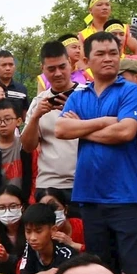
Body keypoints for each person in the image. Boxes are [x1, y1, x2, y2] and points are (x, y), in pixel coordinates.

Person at [54, 31, 137, 274]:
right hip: (89, 193)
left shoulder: (131, 90)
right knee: (103, 269)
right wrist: (104, 122)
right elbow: (61, 130)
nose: (108, 58)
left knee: (136, 265)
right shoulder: (79, 94)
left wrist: (82, 128)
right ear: (86, 60)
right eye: (100, 53)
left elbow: (125, 131)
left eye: (113, 53)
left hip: (126, 193)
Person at [21, 41, 80, 198]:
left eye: (62, 67)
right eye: (51, 69)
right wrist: (35, 117)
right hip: (49, 184)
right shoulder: (38, 102)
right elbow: (27, 146)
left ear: (70, 63)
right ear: (43, 69)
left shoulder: (88, 94)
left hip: (85, 181)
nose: (58, 73)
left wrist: (77, 113)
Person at [11, 203, 74, 274]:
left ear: (53, 230)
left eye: (38, 231)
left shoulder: (66, 254)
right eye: (28, 231)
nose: (32, 238)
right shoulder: (31, 247)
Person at [0, 98, 32, 207]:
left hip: (24, 203)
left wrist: (31, 202)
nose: (3, 124)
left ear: (18, 121)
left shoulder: (25, 146)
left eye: (7, 119)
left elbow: (34, 175)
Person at [0, 185, 27, 274]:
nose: (7, 211)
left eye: (13, 206)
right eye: (2, 207)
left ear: (22, 207)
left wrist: (8, 258)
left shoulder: (31, 229)